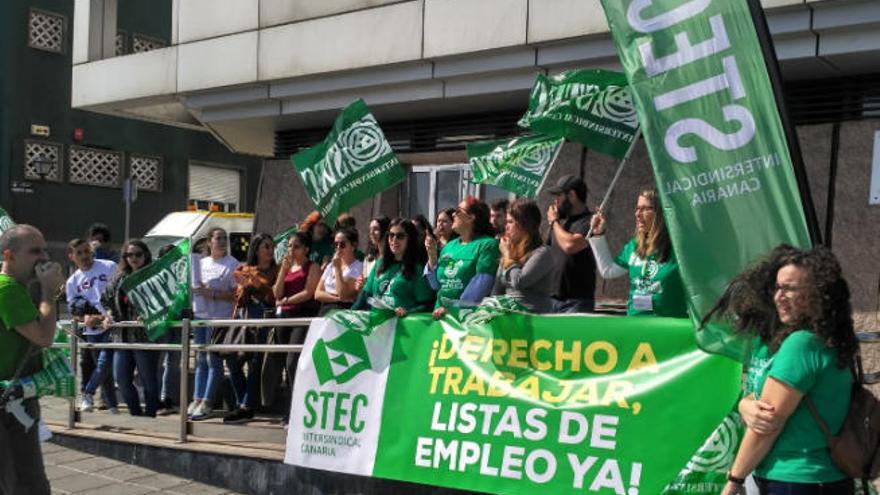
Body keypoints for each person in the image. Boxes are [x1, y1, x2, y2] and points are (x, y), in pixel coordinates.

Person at [703, 245, 858, 495]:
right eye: (777, 287)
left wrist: (734, 480)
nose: (779, 296)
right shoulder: (817, 340)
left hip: (796, 481)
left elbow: (767, 425)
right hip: (814, 480)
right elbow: (767, 399)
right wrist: (745, 404)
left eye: (790, 288)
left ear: (818, 293)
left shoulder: (801, 344)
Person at [0, 225, 65, 495]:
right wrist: (49, 293)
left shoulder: (15, 287)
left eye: (45, 249)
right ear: (9, 255)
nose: (43, 257)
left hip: (14, 399)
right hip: (9, 404)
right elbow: (43, 337)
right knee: (28, 482)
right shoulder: (8, 290)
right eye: (34, 251)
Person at [588, 187, 687, 317]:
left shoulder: (680, 247)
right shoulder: (634, 245)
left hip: (667, 326)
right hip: (636, 324)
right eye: (637, 208)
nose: (638, 214)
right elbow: (608, 271)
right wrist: (598, 235)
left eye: (645, 209)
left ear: (661, 212)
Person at [100, 240, 161, 417]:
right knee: (122, 379)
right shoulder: (119, 277)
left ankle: (150, 416)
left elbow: (164, 302)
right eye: (129, 255)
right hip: (122, 336)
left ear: (146, 255)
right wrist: (108, 315)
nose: (133, 258)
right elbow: (106, 299)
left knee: (148, 379)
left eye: (138, 254)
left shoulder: (153, 276)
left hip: (145, 336)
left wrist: (149, 314)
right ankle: (135, 414)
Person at [222, 233, 278, 424]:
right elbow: (238, 300)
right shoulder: (244, 268)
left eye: (271, 247)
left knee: (255, 364)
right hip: (244, 319)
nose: (270, 251)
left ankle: (245, 406)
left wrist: (253, 283)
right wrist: (244, 288)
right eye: (266, 247)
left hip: (263, 319)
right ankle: (242, 401)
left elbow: (272, 296)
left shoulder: (276, 271)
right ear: (256, 249)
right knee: (232, 359)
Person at [268, 232, 320, 424]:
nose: (291, 250)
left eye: (296, 246)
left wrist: (287, 300)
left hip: (301, 315)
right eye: (289, 246)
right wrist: (283, 271)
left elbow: (309, 292)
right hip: (284, 317)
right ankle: (288, 408)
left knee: (293, 363)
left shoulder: (311, 266)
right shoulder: (288, 267)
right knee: (284, 365)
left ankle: (295, 410)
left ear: (306, 249)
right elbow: (276, 293)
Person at [188, 228, 239, 421]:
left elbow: (236, 294)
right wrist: (196, 290)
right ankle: (197, 398)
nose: (222, 241)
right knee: (201, 358)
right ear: (209, 242)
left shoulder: (232, 263)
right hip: (200, 315)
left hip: (219, 318)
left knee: (213, 360)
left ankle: (208, 402)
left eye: (225, 238)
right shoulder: (200, 263)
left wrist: (215, 294)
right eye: (218, 238)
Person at [64, 239, 117, 414]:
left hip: (113, 325)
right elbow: (74, 310)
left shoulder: (109, 266)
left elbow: (122, 291)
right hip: (92, 330)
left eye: (86, 251)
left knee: (103, 364)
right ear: (71, 257)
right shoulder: (72, 281)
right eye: (79, 253)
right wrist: (86, 317)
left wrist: (108, 315)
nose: (84, 255)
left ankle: (87, 393)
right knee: (105, 372)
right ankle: (113, 408)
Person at [426, 196, 500, 319]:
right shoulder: (449, 246)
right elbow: (435, 285)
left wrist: (453, 309)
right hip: (440, 317)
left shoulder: (487, 245)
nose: (454, 214)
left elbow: (480, 286)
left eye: (458, 211)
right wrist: (432, 256)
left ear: (471, 218)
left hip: (466, 320)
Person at [353, 219, 434, 316]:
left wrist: (407, 312)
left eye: (400, 236)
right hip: (377, 324)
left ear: (410, 239)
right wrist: (349, 313)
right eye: (391, 235)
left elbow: (425, 305)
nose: (394, 239)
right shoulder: (380, 263)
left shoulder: (417, 268)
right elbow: (365, 296)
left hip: (401, 326)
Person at [492, 200, 559, 313]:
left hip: (533, 319)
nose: (506, 226)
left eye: (510, 222)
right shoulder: (510, 251)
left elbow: (519, 281)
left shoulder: (543, 253)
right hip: (509, 317)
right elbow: (497, 289)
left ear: (524, 225)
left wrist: (507, 257)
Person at [545, 175, 597, 313]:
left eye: (559, 196)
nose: (555, 201)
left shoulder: (590, 221)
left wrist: (554, 222)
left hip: (576, 302)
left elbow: (570, 245)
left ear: (572, 195)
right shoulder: (561, 223)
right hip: (552, 299)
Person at [315, 228, 363, 315]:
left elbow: (343, 294)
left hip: (342, 309)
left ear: (353, 246)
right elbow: (317, 294)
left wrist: (337, 269)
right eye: (335, 244)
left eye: (342, 245)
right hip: (326, 308)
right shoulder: (331, 265)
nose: (338, 248)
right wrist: (336, 298)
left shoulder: (358, 266)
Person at [360, 215, 390, 285]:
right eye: (370, 229)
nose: (371, 232)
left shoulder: (394, 258)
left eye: (376, 229)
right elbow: (366, 284)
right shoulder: (369, 258)